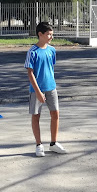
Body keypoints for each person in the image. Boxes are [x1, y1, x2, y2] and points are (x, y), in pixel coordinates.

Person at [25, 22, 67, 157]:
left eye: (52, 34)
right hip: (36, 89)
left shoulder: (52, 50)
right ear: (40, 34)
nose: (51, 37)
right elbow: (30, 72)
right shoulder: (32, 52)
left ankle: (54, 143)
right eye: (48, 34)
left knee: (55, 114)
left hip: (51, 88)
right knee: (36, 116)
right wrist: (37, 91)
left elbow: (51, 68)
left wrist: (52, 84)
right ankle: (38, 145)